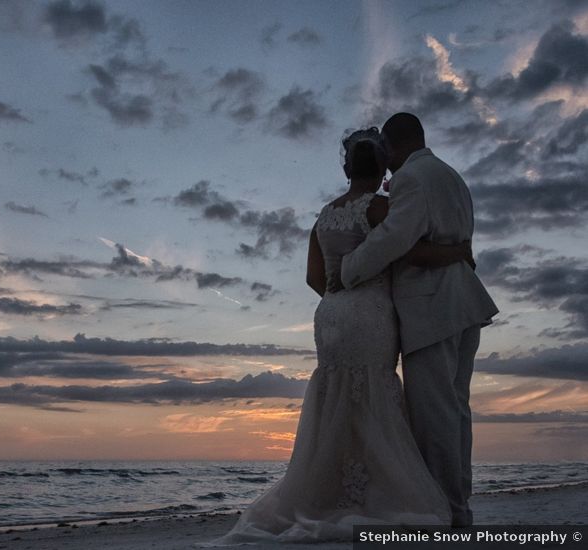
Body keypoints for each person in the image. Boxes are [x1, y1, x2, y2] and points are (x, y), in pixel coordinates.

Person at [200, 127, 472, 546]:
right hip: (371, 313)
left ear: (346, 166)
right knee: (375, 394)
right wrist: (456, 251)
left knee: (336, 395)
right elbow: (410, 249)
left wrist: (339, 301)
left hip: (330, 314)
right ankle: (375, 493)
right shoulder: (380, 208)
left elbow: (314, 278)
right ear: (381, 165)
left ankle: (325, 493)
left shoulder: (324, 216)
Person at [339, 113, 499, 527]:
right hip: (461, 303)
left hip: (431, 308)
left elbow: (397, 237)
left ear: (392, 148)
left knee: (436, 420)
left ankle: (447, 512)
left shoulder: (413, 178)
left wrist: (349, 268)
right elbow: (452, 239)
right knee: (456, 413)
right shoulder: (452, 176)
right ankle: (459, 508)